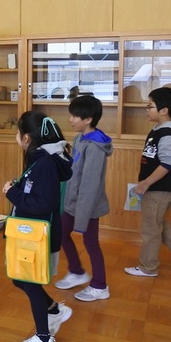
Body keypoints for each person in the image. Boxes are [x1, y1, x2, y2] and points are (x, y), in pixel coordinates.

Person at [2, 111, 73, 342]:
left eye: (18, 132)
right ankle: (54, 310)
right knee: (19, 278)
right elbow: (37, 191)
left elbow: (43, 203)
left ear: (27, 138)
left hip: (37, 236)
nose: (16, 136)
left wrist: (12, 193)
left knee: (29, 282)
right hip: (31, 233)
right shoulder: (41, 158)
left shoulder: (44, 163)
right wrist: (18, 187)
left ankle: (43, 339)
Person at [125, 87, 171, 277]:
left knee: (150, 230)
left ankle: (148, 267)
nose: (147, 109)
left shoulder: (167, 134)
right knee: (156, 224)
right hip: (157, 190)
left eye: (150, 106)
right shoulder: (160, 130)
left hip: (159, 190)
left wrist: (146, 183)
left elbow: (168, 162)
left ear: (164, 110)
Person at [55, 95, 113, 301]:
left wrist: (82, 215)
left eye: (76, 116)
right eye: (71, 115)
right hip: (73, 202)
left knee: (91, 243)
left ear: (88, 119)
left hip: (87, 205)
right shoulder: (80, 138)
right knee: (61, 233)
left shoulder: (95, 146)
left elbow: (90, 184)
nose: (71, 119)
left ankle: (100, 285)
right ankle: (77, 271)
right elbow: (75, 169)